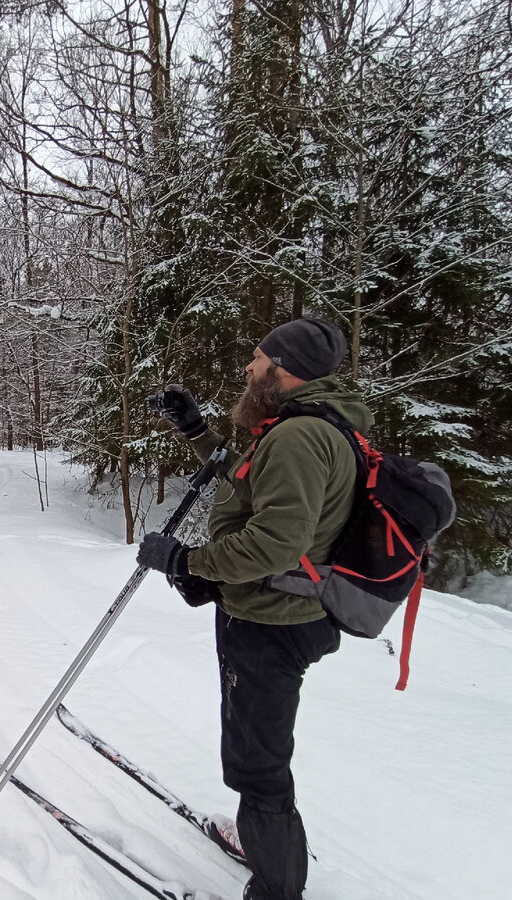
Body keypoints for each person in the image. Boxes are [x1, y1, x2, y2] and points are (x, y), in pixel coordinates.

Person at [135, 317, 374, 900]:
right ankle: (259, 839)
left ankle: (276, 887)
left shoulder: (298, 436)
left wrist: (187, 562)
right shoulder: (308, 425)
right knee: (254, 747)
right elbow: (246, 478)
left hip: (273, 623)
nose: (249, 365)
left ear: (284, 369)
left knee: (257, 764)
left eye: (259, 357)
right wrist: (195, 430)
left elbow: (275, 543)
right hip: (275, 610)